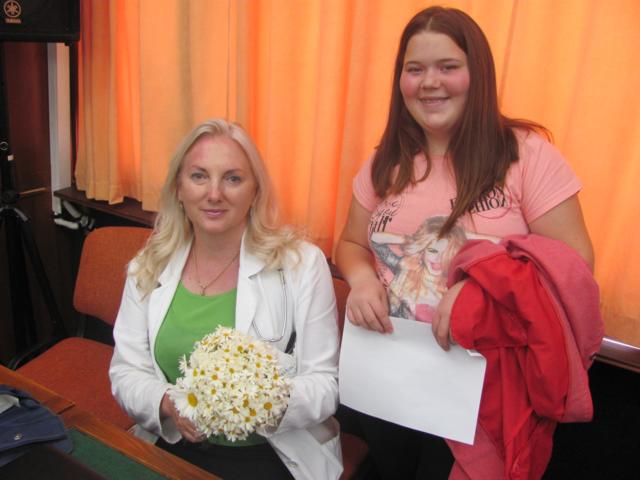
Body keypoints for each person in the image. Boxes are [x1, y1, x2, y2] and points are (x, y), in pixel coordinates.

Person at [335, 6, 594, 479]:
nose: (430, 82)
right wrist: (362, 278)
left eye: (448, 66)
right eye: (415, 69)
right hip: (389, 381)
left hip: (483, 397)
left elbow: (575, 264)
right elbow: (350, 243)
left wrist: (483, 289)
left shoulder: (527, 155)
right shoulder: (384, 162)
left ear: (478, 75)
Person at [109, 119, 343, 480]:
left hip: (270, 454)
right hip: (174, 445)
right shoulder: (149, 265)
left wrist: (264, 403)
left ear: (255, 191)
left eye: (233, 178)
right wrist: (168, 404)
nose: (214, 193)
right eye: (199, 176)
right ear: (179, 188)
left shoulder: (301, 264)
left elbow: (325, 384)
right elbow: (126, 371)